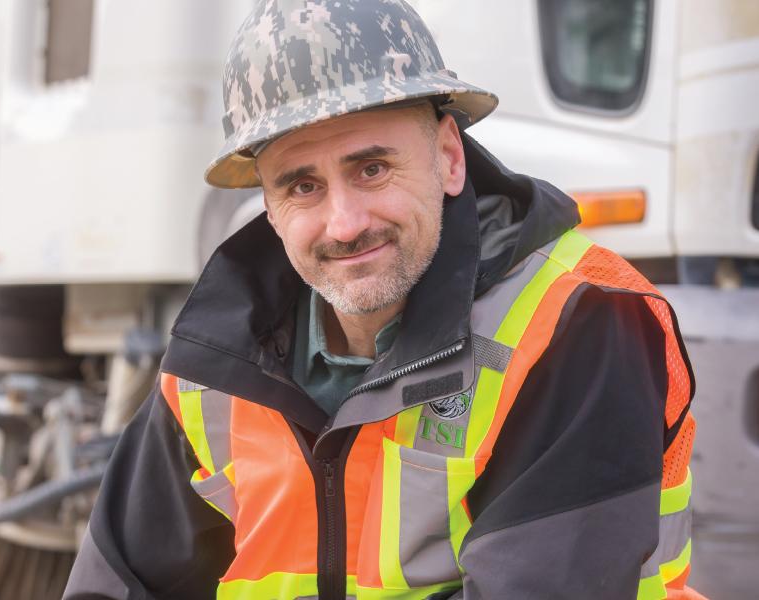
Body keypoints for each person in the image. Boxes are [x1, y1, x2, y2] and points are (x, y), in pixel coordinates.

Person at [64, 1, 703, 598]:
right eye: (303, 186)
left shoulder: (578, 320)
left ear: (449, 158)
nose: (344, 223)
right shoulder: (213, 365)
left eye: (372, 169)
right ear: (269, 205)